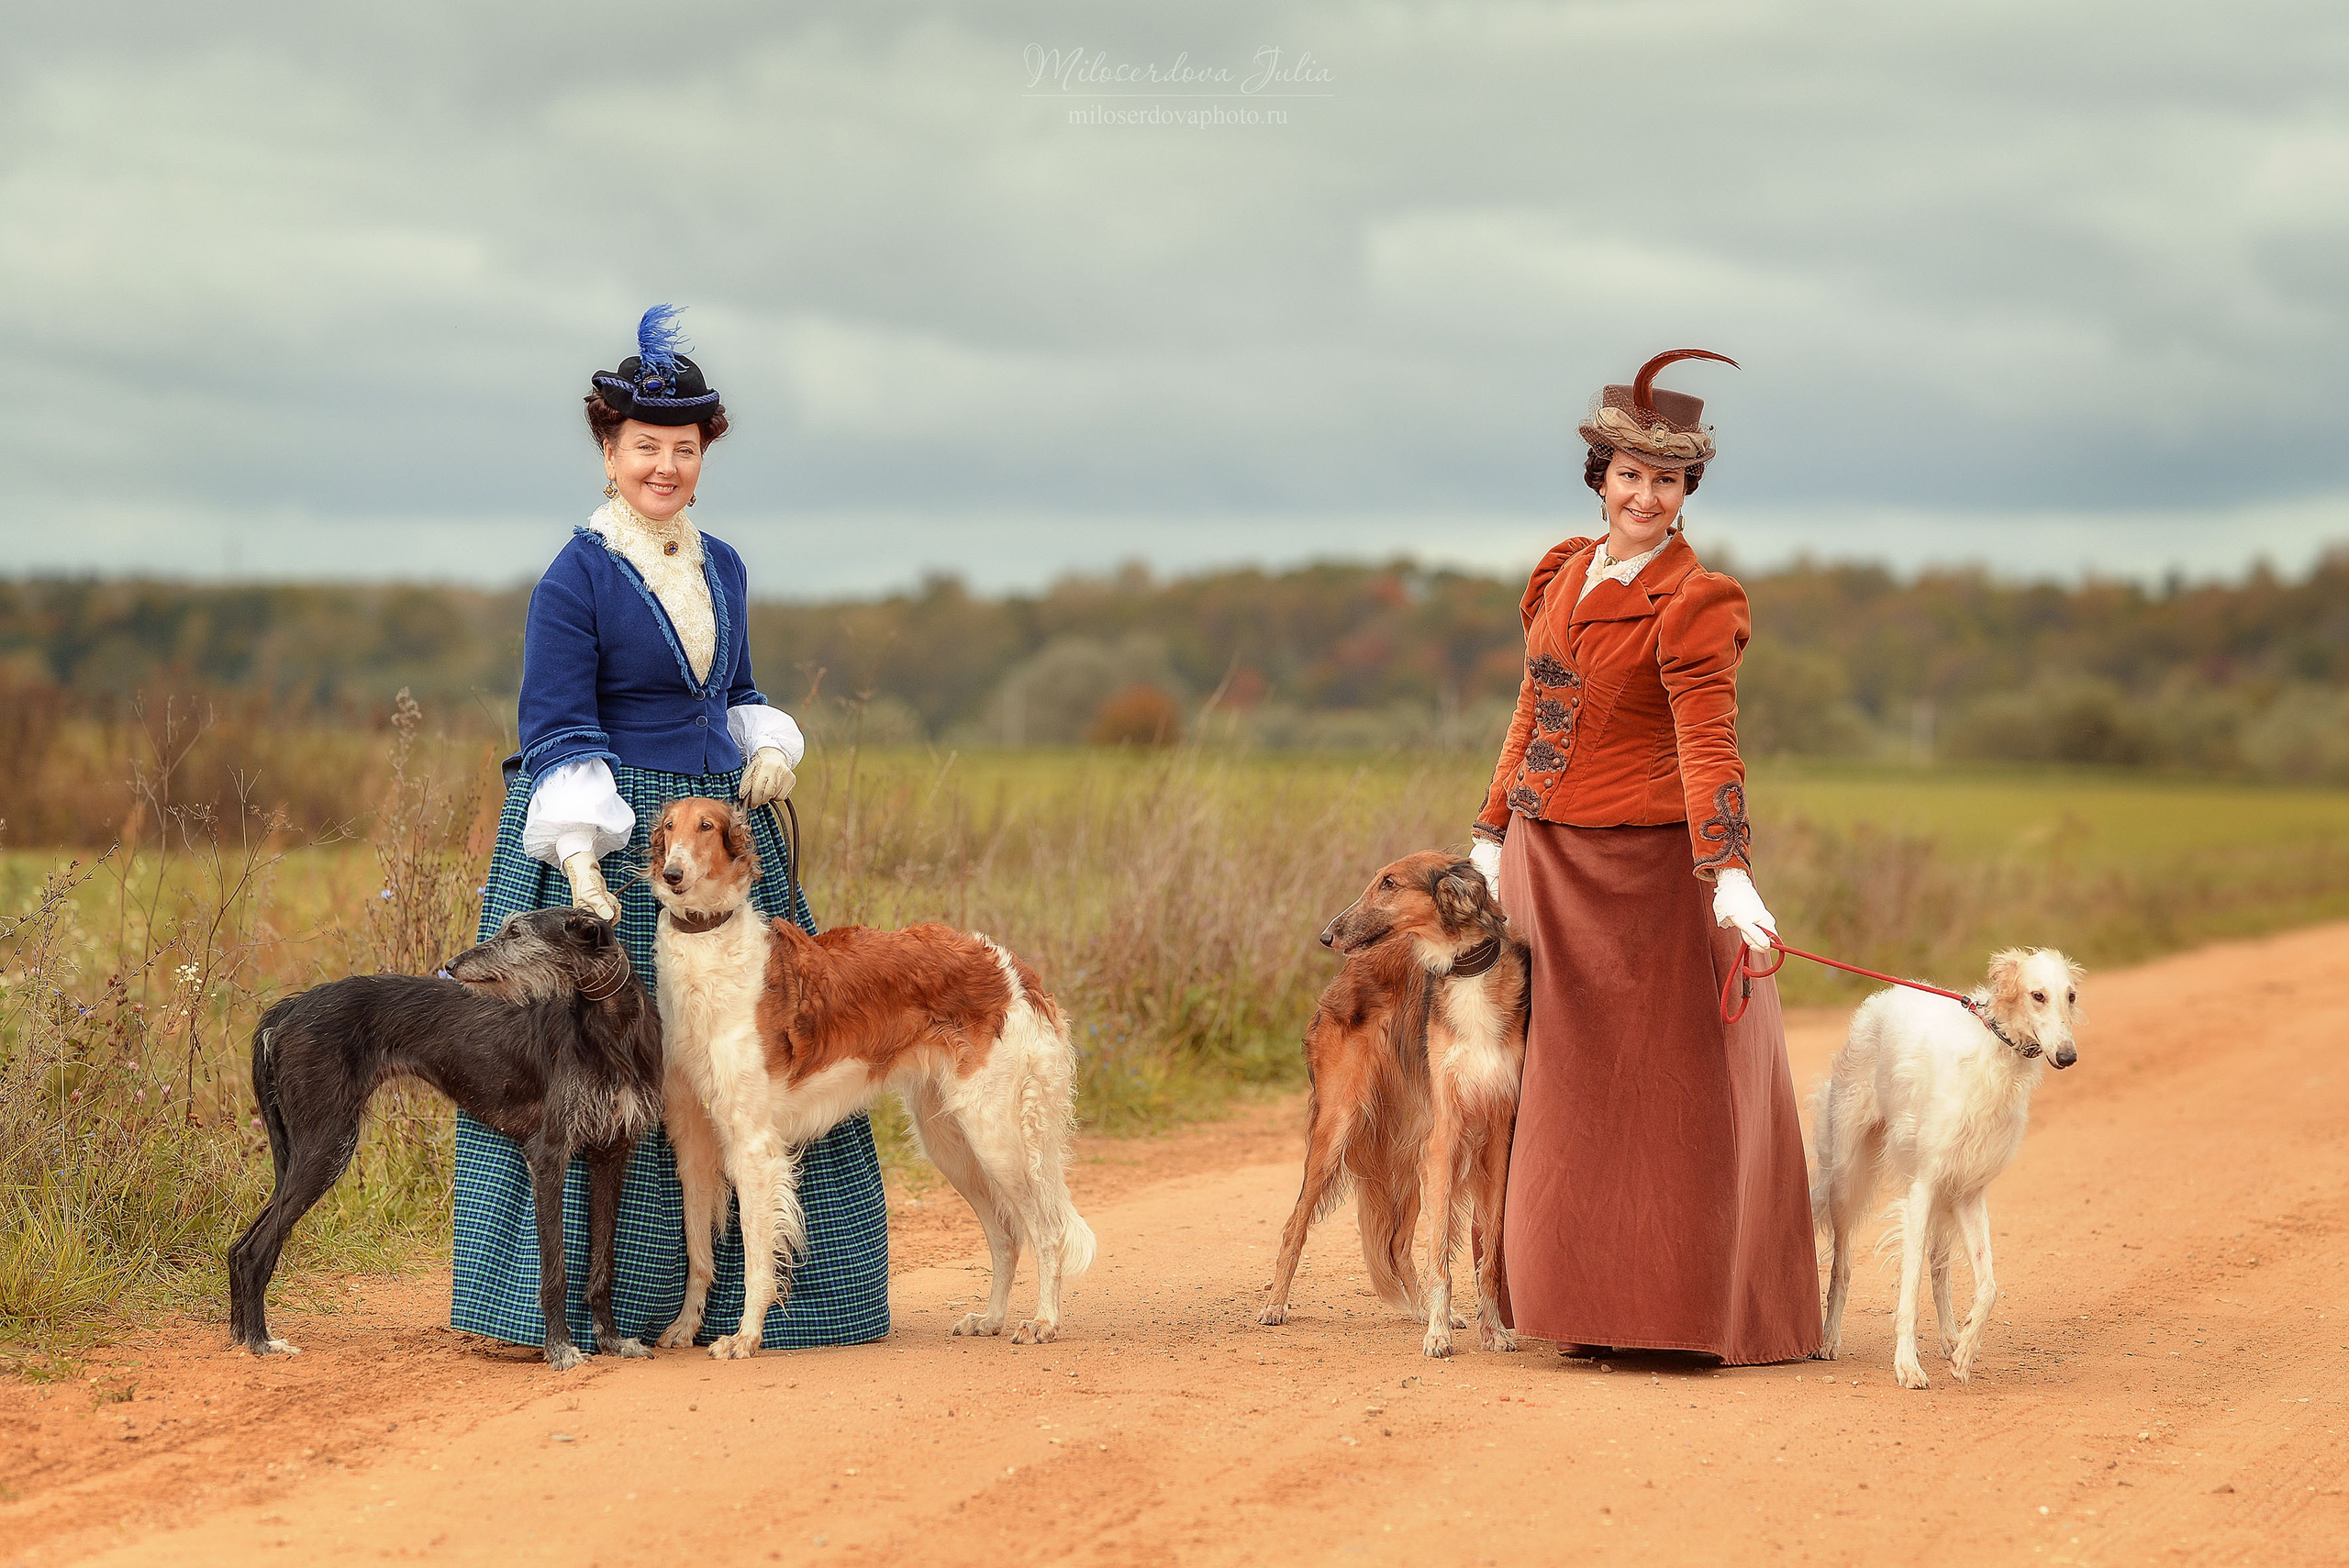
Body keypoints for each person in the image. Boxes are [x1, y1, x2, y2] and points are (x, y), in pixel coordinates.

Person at [450, 306, 889, 1352]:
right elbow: (555, 727)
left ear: (702, 458)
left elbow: (733, 686)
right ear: (609, 452)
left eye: (682, 451)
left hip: (717, 839)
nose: (663, 466)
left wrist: (762, 738)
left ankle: (777, 1298)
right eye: (644, 447)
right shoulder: (576, 575)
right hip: (610, 838)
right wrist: (577, 860)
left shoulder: (724, 564)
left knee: (763, 1046)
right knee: (612, 1057)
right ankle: (589, 1306)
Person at [1467, 349, 1821, 1365]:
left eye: (1664, 480)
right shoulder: (1558, 572)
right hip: (1549, 861)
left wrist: (1731, 870)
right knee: (1563, 1085)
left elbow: (1707, 740)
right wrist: (1490, 834)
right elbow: (1533, 708)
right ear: (1601, 477)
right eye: (1629, 474)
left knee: (1666, 1088)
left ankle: (1677, 1315)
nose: (1644, 494)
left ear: (1684, 492)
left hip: (1656, 874)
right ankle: (1571, 1305)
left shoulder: (1696, 600)